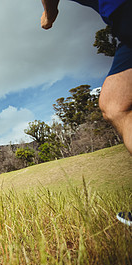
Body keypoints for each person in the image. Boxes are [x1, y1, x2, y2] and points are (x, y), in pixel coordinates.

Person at [40, 0, 132, 155]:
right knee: (115, 105)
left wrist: (49, 15)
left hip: (124, 12)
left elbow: (49, 14)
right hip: (123, 24)